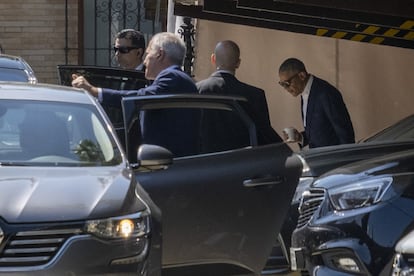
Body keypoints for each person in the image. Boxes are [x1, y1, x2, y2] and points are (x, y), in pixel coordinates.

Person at [72, 32, 199, 157]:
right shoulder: (175, 78)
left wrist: (94, 91)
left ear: (160, 54)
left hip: (170, 164)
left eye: (148, 54)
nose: (144, 61)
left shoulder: (172, 76)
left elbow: (141, 98)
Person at [196, 40, 282, 152]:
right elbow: (264, 136)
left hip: (204, 163)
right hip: (243, 162)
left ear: (213, 59)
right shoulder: (256, 95)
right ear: (238, 63)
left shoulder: (197, 90)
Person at [278, 57, 355, 148]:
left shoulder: (325, 93)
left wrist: (346, 160)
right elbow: (320, 131)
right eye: (282, 84)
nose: (286, 89)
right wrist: (300, 137)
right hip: (320, 159)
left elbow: (345, 133)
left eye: (287, 83)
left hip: (333, 159)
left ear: (301, 76)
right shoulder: (305, 92)